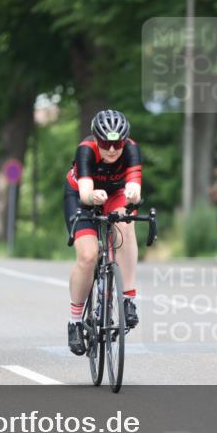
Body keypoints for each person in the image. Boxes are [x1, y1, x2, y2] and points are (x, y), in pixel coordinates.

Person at [64, 109, 142, 356]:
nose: (111, 150)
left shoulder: (131, 150)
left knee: (126, 225)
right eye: (106, 143)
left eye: (117, 143)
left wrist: (133, 194)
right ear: (96, 139)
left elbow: (135, 188)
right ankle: (75, 322)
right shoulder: (85, 150)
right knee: (88, 256)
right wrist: (91, 196)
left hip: (115, 194)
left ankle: (128, 298)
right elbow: (86, 190)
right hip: (81, 197)